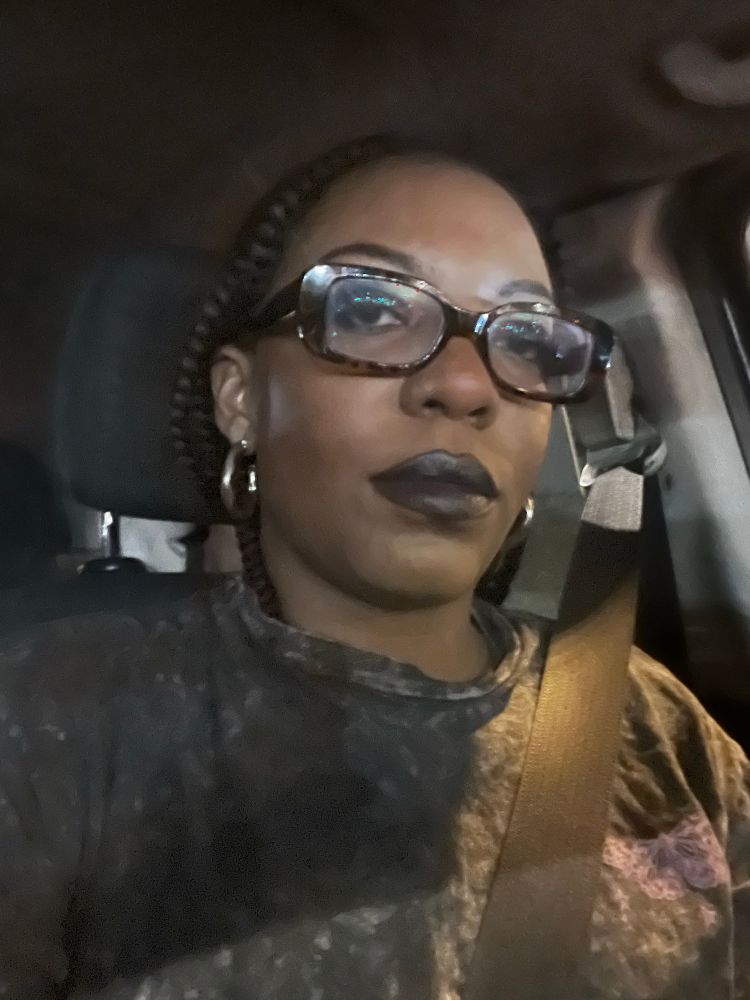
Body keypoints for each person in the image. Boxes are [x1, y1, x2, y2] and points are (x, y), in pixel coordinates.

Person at [0, 138, 747, 1000]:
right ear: (241, 399)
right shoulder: (56, 722)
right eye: (370, 308)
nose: (466, 386)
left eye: (526, 337)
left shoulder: (657, 725)